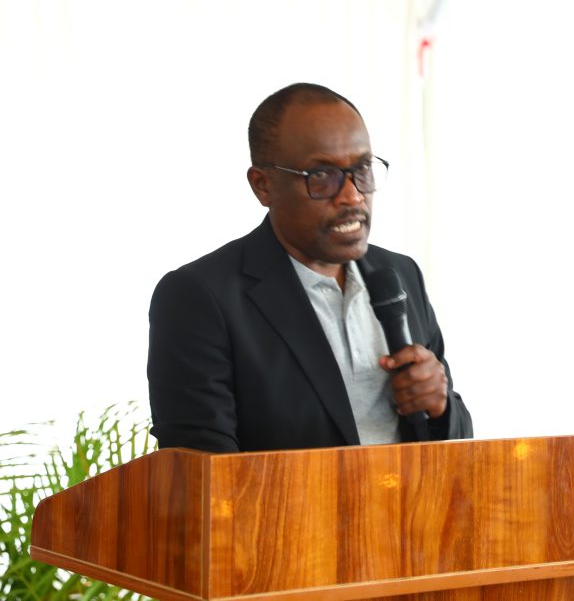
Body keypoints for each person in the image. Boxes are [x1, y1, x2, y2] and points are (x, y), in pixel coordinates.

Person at [147, 83, 472, 453]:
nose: (352, 195)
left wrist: (440, 406)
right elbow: (200, 469)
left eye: (363, 169)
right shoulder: (200, 297)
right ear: (263, 185)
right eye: (321, 176)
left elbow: (457, 450)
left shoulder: (400, 274)